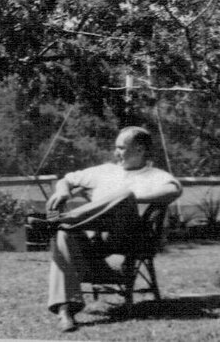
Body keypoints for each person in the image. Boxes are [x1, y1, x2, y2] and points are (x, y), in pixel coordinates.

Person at [43, 126, 182, 332]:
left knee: (124, 195)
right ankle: (65, 311)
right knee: (63, 234)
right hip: (93, 235)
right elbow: (67, 179)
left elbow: (174, 189)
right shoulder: (105, 171)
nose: (116, 152)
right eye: (116, 147)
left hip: (127, 236)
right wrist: (63, 191)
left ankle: (64, 220)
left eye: (121, 148)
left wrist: (134, 197)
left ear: (140, 150)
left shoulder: (155, 175)